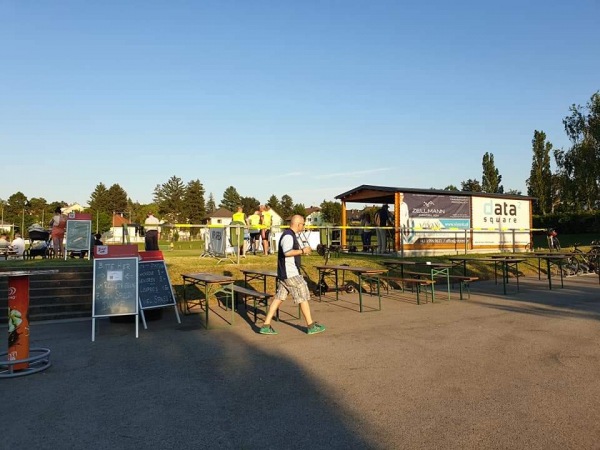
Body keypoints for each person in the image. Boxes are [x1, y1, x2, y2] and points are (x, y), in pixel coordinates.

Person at [259, 215, 326, 335]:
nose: (304, 226)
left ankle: (266, 325)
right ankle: (310, 326)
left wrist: (300, 253)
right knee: (303, 296)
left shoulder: (289, 235)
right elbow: (287, 252)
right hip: (291, 274)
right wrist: (302, 251)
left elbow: (290, 252)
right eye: (303, 224)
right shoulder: (288, 236)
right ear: (298, 224)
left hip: (285, 274)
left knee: (279, 298)